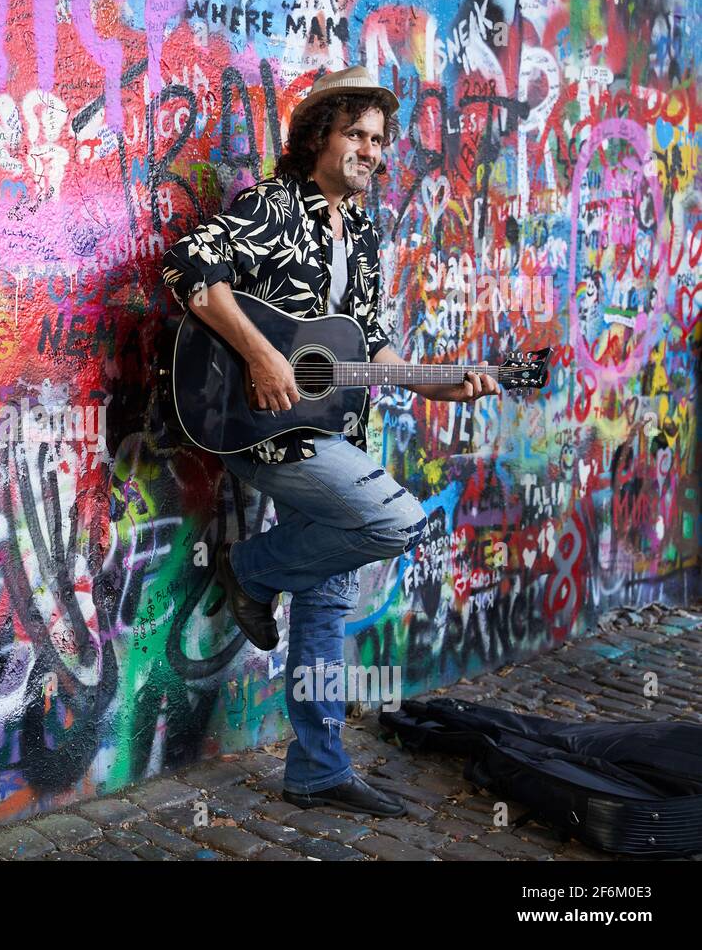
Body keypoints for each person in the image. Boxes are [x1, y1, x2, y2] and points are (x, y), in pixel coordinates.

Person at [159, 66, 500, 817]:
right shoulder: (276, 206)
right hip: (258, 428)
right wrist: (261, 353)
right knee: (397, 521)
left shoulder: (368, 236)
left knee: (326, 600)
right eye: (356, 134)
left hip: (325, 426)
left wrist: (440, 381)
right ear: (319, 135)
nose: (370, 151)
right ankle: (249, 567)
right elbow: (190, 264)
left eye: (379, 140)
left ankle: (317, 766)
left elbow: (368, 351)